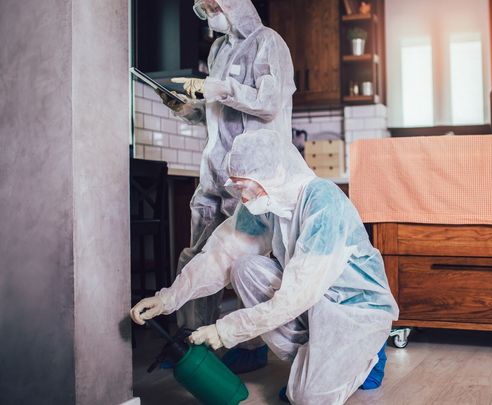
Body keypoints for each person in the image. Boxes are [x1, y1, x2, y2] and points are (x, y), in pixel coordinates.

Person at [131, 129, 399, 404]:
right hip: (312, 303)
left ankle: (368, 354)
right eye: (237, 187)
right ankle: (310, 365)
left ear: (273, 173)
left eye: (245, 185)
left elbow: (298, 295)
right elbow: (221, 255)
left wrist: (226, 330)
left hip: (353, 310)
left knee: (307, 398)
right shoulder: (268, 202)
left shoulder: (323, 202)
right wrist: (167, 299)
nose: (242, 196)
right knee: (244, 267)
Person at [157, 0, 296, 339]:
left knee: (247, 261)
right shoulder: (219, 49)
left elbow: (269, 102)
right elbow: (218, 113)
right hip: (215, 175)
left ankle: (251, 345)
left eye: (213, 5)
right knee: (197, 256)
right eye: (203, 7)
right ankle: (192, 340)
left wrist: (220, 88)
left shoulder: (268, 42)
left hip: (252, 178)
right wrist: (188, 108)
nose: (208, 13)